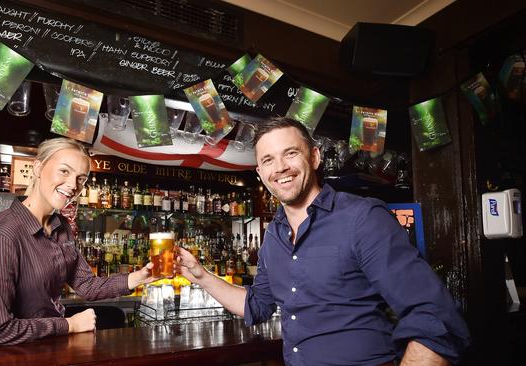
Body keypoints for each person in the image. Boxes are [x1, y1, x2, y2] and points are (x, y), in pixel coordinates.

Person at [176, 117, 470, 365]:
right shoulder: (274, 237)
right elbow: (256, 304)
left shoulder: (361, 218)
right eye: (268, 160)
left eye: (290, 153)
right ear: (260, 173)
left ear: (314, 157)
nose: (279, 167)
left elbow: (435, 319)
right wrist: (200, 276)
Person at [0, 137, 159, 346]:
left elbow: (85, 284)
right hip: (19, 357)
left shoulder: (60, 226)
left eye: (81, 178)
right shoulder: (4, 235)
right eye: (64, 171)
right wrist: (69, 325)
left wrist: (138, 278)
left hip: (51, 349)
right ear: (37, 168)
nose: (73, 185)